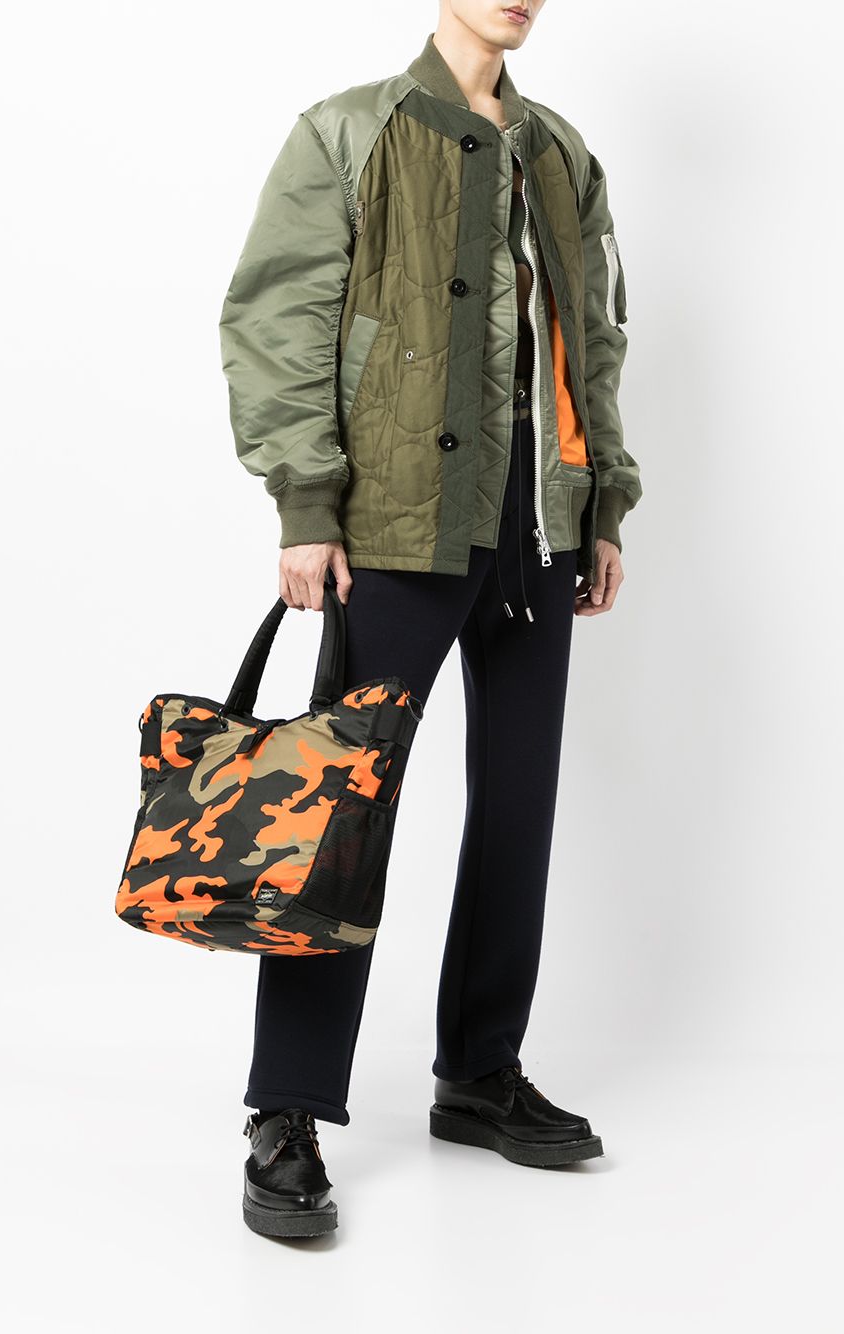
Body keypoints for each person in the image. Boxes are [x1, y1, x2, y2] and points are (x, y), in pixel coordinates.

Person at [219, 0, 641, 1238]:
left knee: (517, 806)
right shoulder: (349, 131)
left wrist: (602, 501)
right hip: (397, 523)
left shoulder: (558, 151)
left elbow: (590, 339)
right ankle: (287, 1107)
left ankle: (479, 1072)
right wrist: (306, 501)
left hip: (538, 523)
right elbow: (277, 318)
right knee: (337, 813)